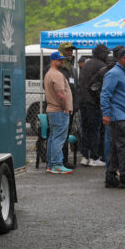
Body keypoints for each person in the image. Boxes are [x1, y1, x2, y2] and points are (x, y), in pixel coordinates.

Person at [100, 48, 125, 188]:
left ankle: (111, 176)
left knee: (116, 148)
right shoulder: (114, 74)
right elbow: (105, 94)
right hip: (118, 116)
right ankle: (124, 176)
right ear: (124, 58)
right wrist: (106, 113)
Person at [78, 44, 108, 167]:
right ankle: (95, 157)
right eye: (106, 53)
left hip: (83, 102)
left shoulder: (87, 64)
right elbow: (101, 86)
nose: (107, 55)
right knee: (95, 130)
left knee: (85, 130)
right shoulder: (101, 66)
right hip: (94, 103)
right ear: (101, 53)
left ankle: (85, 156)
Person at [43, 51, 74, 174]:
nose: (62, 61)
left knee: (53, 137)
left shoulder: (49, 74)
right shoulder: (57, 74)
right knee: (59, 138)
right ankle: (56, 164)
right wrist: (65, 107)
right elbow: (60, 94)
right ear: (52, 61)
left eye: (62, 59)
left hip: (52, 110)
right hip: (59, 110)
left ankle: (51, 164)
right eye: (59, 60)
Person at [58, 42, 80, 170]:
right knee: (61, 136)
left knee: (65, 135)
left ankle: (64, 160)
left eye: (71, 51)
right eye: (67, 50)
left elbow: (74, 87)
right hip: (61, 108)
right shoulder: (58, 69)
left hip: (71, 107)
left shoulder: (71, 68)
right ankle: (60, 161)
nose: (70, 53)